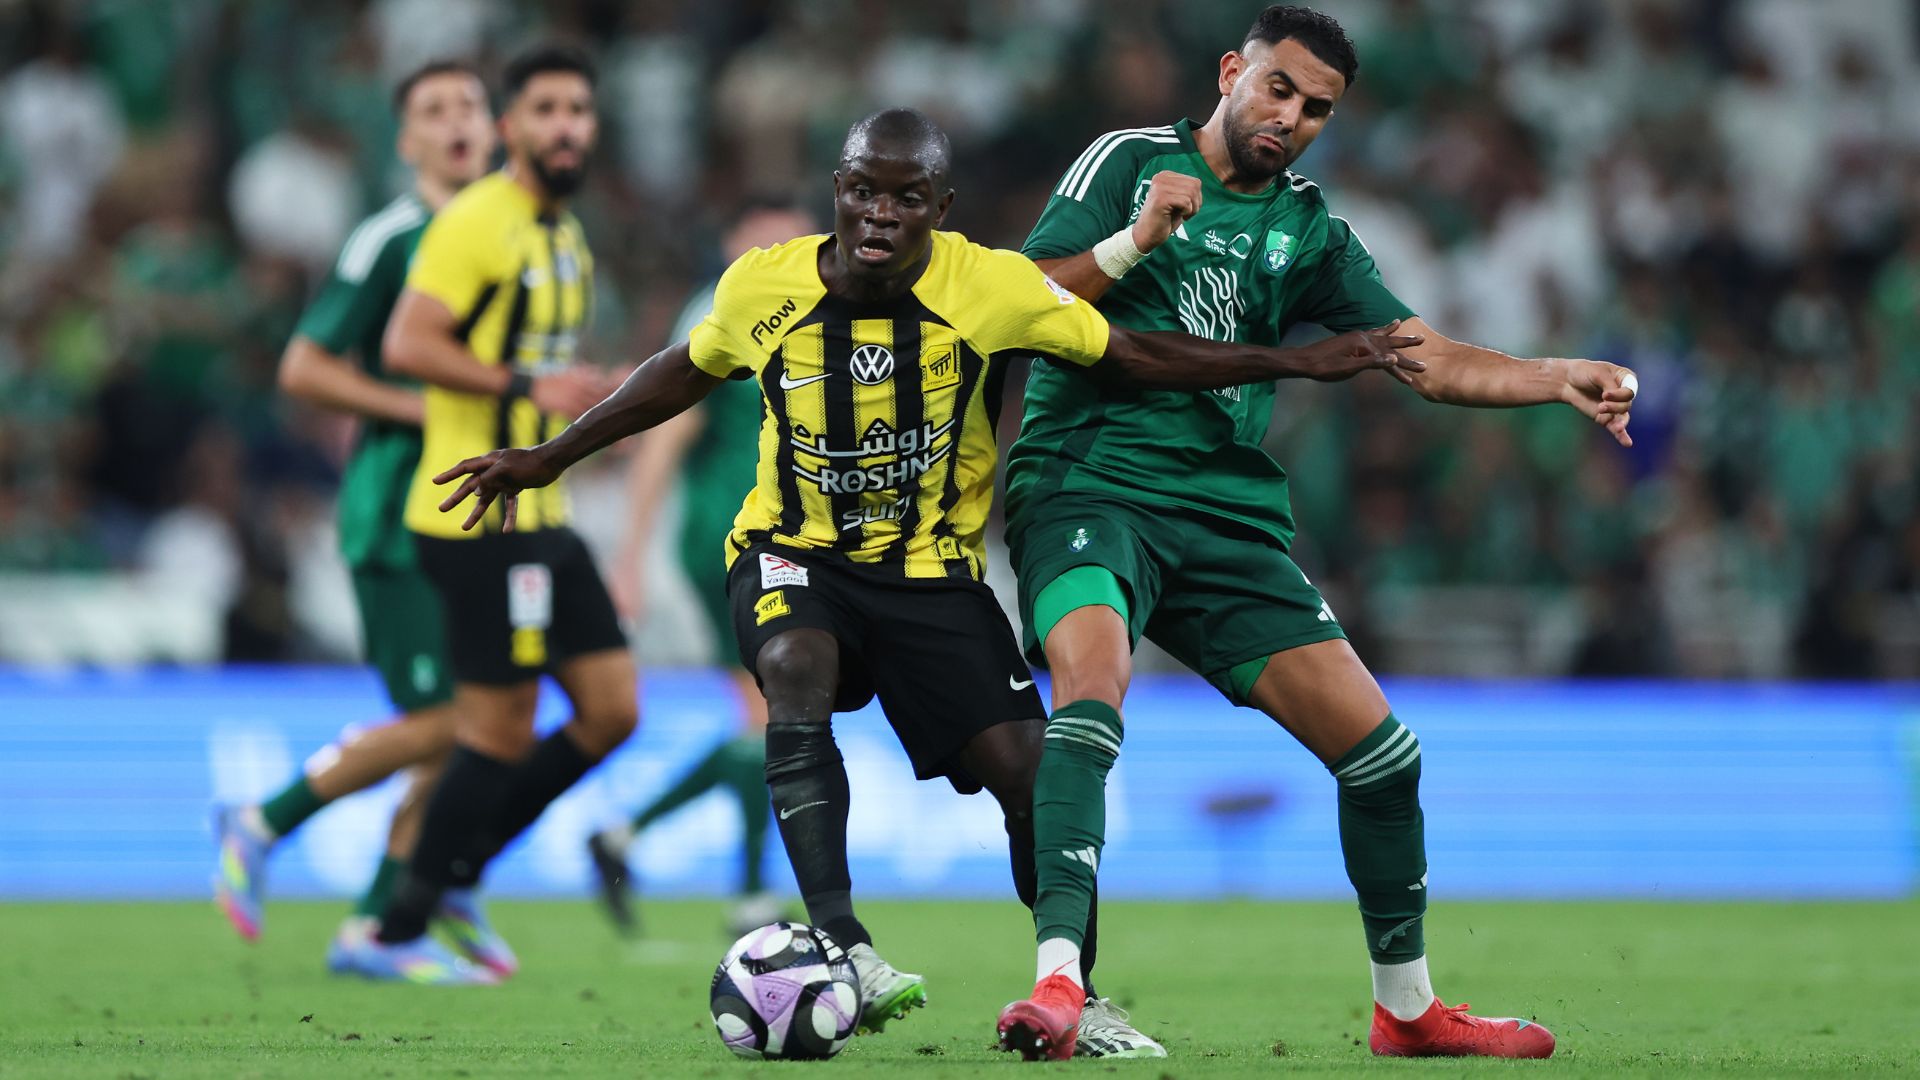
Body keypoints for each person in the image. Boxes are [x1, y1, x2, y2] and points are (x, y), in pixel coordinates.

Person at [433, 108, 1426, 1038]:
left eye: (908, 198)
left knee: (1030, 776)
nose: (881, 212)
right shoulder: (763, 284)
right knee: (792, 666)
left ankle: (1076, 990)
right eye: (866, 189)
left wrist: (1293, 362)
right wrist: (548, 455)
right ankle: (843, 945)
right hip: (795, 550)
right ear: (838, 186)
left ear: (939, 211)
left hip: (932, 578)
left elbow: (1129, 354)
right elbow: (680, 370)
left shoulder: (989, 286)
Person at [992, 5, 1638, 1061]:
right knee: (1094, 690)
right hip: (1087, 485)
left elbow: (1415, 354)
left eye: (1317, 110)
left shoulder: (1307, 229)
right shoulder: (1127, 164)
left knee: (1384, 758)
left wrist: (1551, 376)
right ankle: (1062, 984)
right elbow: (1018, 301)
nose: (1290, 120)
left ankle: (1409, 1011)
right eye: (1278, 91)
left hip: (1227, 510)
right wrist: (1131, 239)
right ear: (1231, 72)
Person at [330, 44, 633, 984]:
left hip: (543, 513)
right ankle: (390, 927)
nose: (566, 126)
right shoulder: (475, 223)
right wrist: (525, 383)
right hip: (472, 514)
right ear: (510, 128)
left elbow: (546, 375)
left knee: (612, 708)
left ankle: (458, 866)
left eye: (578, 109)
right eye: (545, 109)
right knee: (495, 730)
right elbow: (405, 340)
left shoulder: (563, 234)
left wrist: (578, 397)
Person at [211, 60, 512, 979]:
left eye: (469, 104)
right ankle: (268, 820)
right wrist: (429, 410)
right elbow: (303, 367)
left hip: (487, 514)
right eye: (433, 110)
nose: (456, 121)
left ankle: (387, 923)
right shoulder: (390, 238)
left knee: (486, 719)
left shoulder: (517, 235)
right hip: (398, 514)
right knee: (462, 722)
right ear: (406, 141)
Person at [585, 200, 817, 938]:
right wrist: (630, 555)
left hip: (786, 538)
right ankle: (746, 894)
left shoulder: (813, 307)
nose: (778, 247)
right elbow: (663, 439)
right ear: (731, 242)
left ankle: (627, 837)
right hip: (727, 537)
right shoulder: (719, 311)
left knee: (775, 718)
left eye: (791, 234)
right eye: (762, 236)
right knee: (771, 714)